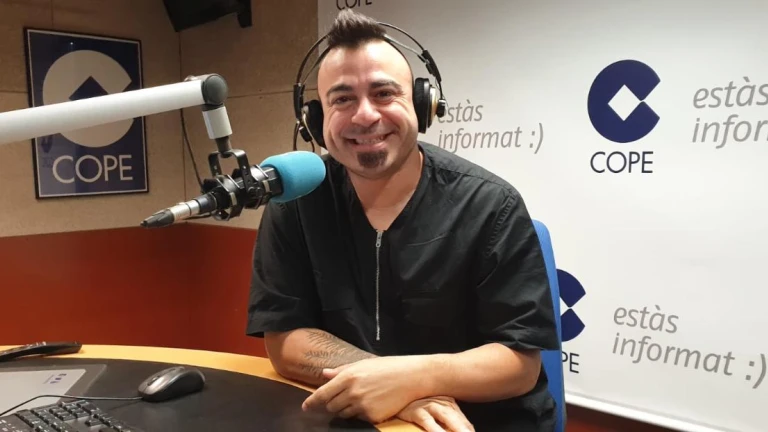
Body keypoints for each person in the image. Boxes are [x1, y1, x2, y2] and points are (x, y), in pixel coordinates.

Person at [246, 8, 559, 432]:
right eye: (342, 99)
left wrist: (408, 381)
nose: (365, 115)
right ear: (315, 121)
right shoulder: (296, 200)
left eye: (383, 93)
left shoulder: (491, 205)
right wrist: (386, 387)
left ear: (423, 105)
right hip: (360, 420)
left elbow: (519, 364)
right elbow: (285, 337)